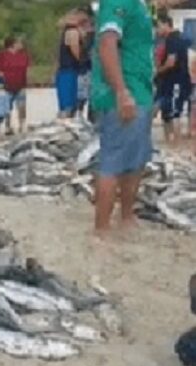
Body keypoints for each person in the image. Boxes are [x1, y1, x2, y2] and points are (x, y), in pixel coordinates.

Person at [91, 0, 154, 237]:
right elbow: (107, 43)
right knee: (114, 161)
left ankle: (127, 217)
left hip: (142, 92)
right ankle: (102, 229)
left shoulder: (139, 5)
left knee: (136, 160)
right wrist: (121, 91)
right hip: (125, 93)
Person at [156, 15, 192, 146]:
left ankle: (173, 143)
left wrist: (157, 71)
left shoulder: (172, 39)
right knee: (171, 110)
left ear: (167, 24)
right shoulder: (181, 36)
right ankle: (170, 141)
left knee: (173, 111)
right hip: (179, 80)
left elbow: (171, 62)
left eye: (159, 26)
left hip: (175, 80)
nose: (157, 30)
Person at [0, 36, 30, 134]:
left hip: (20, 84)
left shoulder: (23, 55)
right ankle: (8, 126)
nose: (21, 44)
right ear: (13, 44)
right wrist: (0, 75)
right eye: (19, 42)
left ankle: (22, 125)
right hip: (6, 85)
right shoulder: (2, 55)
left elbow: (26, 68)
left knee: (22, 106)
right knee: (7, 107)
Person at [56, 10, 84, 118]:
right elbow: (74, 48)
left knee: (67, 98)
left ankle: (67, 114)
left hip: (65, 68)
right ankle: (67, 116)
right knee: (69, 98)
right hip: (70, 68)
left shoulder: (67, 31)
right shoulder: (72, 32)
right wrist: (81, 60)